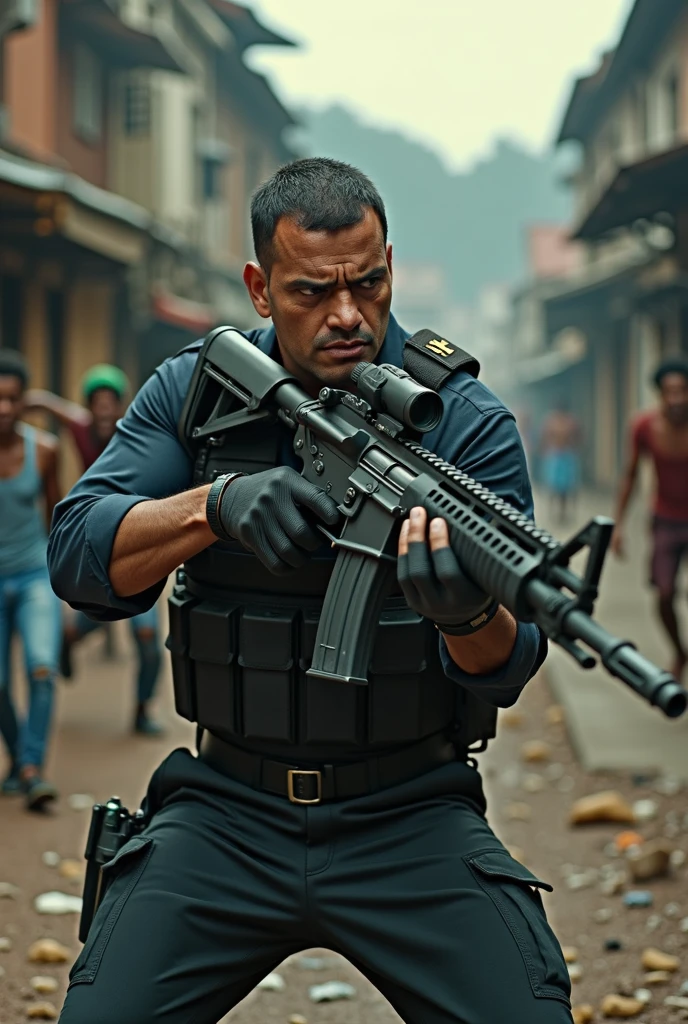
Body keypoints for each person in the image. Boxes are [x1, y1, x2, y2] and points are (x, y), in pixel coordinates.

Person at [49, 159, 571, 1024]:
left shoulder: (464, 423)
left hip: (410, 812)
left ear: (391, 266)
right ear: (258, 287)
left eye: (368, 284)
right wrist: (214, 505)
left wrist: (466, 613)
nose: (347, 315)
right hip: (223, 812)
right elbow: (79, 555)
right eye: (310, 291)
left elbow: (505, 669)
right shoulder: (197, 392)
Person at [26, 367, 163, 735]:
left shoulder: (138, 430)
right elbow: (50, 406)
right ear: (89, 407)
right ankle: (67, 639)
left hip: (136, 538)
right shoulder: (81, 428)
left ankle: (142, 710)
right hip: (94, 537)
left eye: (110, 403)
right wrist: (24, 404)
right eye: (96, 403)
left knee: (147, 637)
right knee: (96, 610)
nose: (104, 411)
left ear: (121, 406)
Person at [0, 350, 62, 810]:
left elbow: (58, 518)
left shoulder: (44, 450)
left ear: (25, 402)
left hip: (34, 576)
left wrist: (66, 585)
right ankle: (20, 756)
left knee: (41, 668)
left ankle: (31, 769)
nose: (3, 407)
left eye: (12, 398)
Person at [612, 359, 688, 681]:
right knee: (664, 594)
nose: (677, 398)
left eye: (682, 390)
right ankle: (680, 653)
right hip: (665, 520)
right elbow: (630, 475)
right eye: (669, 391)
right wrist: (618, 526)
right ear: (659, 394)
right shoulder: (644, 426)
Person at [540, 398, 582, 524]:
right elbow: (545, 436)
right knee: (553, 486)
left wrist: (573, 446)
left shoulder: (570, 421)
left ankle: (563, 514)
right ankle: (553, 512)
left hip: (566, 455)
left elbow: (578, 435)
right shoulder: (551, 420)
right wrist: (547, 448)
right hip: (555, 455)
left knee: (566, 488)